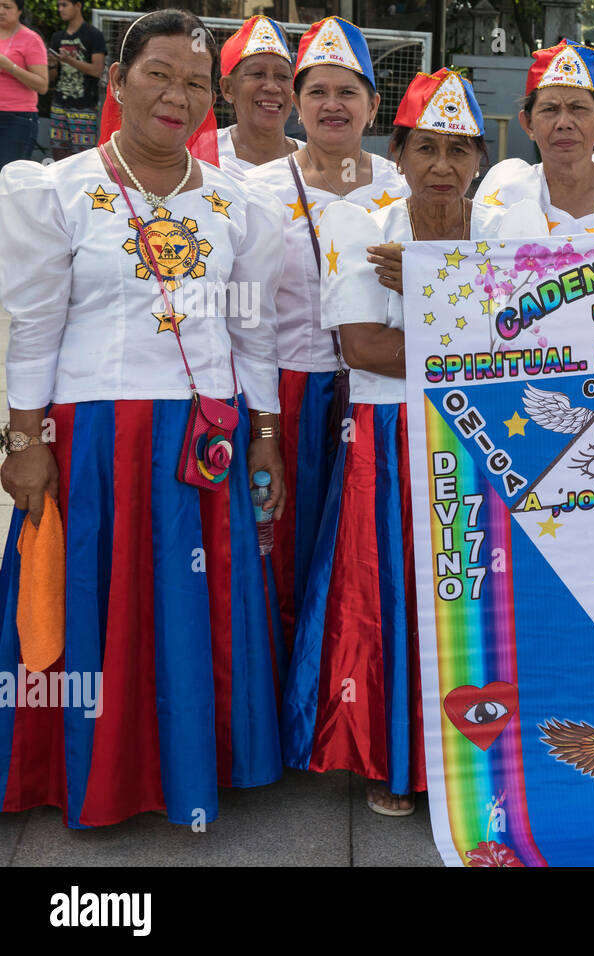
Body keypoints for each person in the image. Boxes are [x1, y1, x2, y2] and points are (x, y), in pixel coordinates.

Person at [0, 7, 285, 827]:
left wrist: (263, 433)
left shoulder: (239, 208)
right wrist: (24, 442)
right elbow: (37, 330)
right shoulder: (61, 189)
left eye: (196, 81)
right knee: (92, 595)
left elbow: (249, 332)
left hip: (203, 444)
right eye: (158, 73)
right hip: (96, 438)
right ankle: (83, 771)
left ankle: (190, 767)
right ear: (117, 83)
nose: (177, 93)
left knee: (187, 611)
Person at [284, 68, 487, 817]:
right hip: (392, 432)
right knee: (396, 598)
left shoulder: (508, 234)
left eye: (459, 151)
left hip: (485, 435)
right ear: (397, 154)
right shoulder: (359, 226)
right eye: (426, 148)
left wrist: (432, 290)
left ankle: (481, 756)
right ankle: (392, 755)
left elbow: (546, 345)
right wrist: (473, 314)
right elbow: (365, 348)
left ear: (480, 159)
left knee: (478, 601)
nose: (442, 166)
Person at [245, 16, 409, 646]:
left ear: (372, 104)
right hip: (287, 396)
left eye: (348, 93)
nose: (332, 106)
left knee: (363, 562)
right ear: (296, 103)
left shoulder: (407, 187)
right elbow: (242, 318)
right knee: (280, 555)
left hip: (378, 401)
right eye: (317, 92)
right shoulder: (252, 192)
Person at [473, 40, 594, 238]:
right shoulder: (506, 197)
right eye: (549, 109)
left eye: (578, 108)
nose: (564, 123)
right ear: (528, 124)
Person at [216, 15, 301, 174]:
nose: (272, 87)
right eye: (257, 74)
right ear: (228, 88)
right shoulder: (198, 155)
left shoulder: (315, 164)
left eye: (282, 76)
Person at [47, 0, 105, 160]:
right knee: (58, 155)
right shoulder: (58, 37)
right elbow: (52, 79)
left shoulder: (94, 35)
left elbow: (97, 70)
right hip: (59, 104)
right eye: (58, 5)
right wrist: (51, 65)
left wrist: (70, 61)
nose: (60, 9)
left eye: (64, 5)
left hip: (84, 106)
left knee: (83, 159)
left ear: (78, 5)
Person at [0, 0, 46, 167]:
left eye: (7, 7)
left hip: (16, 118)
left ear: (20, 10)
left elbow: (42, 85)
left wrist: (9, 66)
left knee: (7, 177)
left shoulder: (31, 39)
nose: (1, 11)